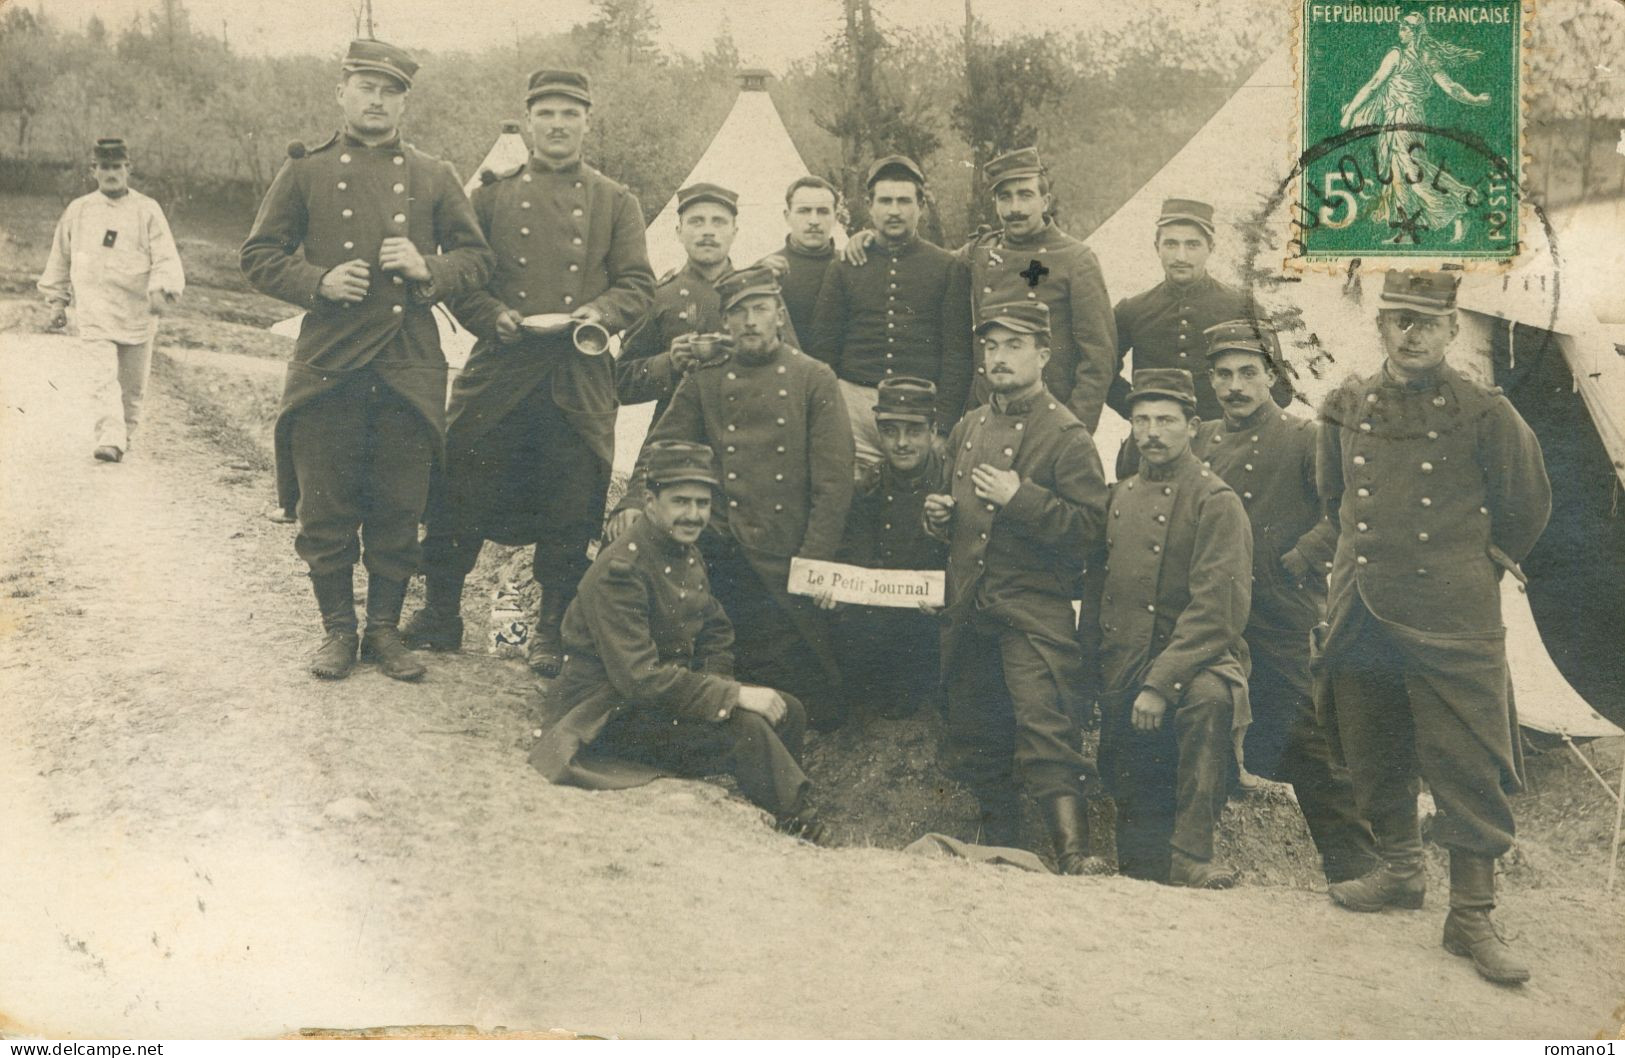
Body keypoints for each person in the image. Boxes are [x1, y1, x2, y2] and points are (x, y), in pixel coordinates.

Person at [1316, 269, 1551, 985]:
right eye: (1397, 320)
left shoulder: (1484, 413)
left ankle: (1471, 915)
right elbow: (1333, 497)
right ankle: (1398, 869)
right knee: (1368, 735)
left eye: (1425, 321)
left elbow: (1527, 507)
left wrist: (1472, 563)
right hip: (1363, 602)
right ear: (1380, 326)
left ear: (1452, 330)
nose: (1409, 333)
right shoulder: (1347, 404)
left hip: (1451, 612)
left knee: (1465, 759)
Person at [240, 39, 494, 682]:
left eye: (391, 90)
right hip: (329, 360)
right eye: (365, 86)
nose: (377, 100)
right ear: (342, 91)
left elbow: (478, 260)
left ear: (405, 100)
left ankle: (383, 631)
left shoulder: (434, 174)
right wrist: (318, 281)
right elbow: (259, 254)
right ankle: (337, 632)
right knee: (324, 505)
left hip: (408, 363)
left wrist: (426, 267)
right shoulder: (304, 170)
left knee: (399, 504)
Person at [401, 68, 655, 677]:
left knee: (572, 503)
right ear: (530, 120)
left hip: (577, 372)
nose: (559, 124)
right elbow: (461, 279)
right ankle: (440, 614)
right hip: (502, 367)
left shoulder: (616, 200)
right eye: (547, 113)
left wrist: (601, 312)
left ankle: (552, 630)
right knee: (458, 480)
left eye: (571, 113)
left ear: (587, 122)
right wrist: (493, 318)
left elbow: (639, 284)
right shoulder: (490, 195)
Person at [530, 440, 824, 841]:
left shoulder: (683, 551)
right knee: (746, 732)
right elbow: (639, 678)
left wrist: (718, 687)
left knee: (788, 709)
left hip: (656, 702)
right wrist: (729, 697)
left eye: (702, 504)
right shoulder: (623, 569)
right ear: (651, 501)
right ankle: (802, 825)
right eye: (680, 501)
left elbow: (715, 629)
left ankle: (774, 812)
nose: (693, 515)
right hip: (606, 715)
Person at [605, 266, 854, 730]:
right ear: (726, 323)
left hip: (786, 552)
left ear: (779, 316)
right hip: (719, 551)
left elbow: (834, 483)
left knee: (810, 694)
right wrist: (633, 501)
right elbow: (662, 446)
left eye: (761, 309)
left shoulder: (814, 378)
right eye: (739, 313)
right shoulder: (707, 379)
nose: (751, 322)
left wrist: (814, 562)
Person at [923, 301, 1110, 875]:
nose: (999, 359)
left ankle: (1073, 854)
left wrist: (1021, 498)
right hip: (971, 605)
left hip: (1033, 608)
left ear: (1044, 355)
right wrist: (936, 517)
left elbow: (1090, 531)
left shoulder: (1066, 435)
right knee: (975, 725)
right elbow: (957, 519)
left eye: (1014, 346)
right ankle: (998, 842)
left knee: (1044, 720)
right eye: (992, 347)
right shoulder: (968, 425)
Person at [1191, 319, 1379, 885]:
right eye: (1223, 375)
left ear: (1272, 375)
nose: (1235, 387)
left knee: (1305, 730)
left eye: (1249, 372)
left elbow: (1348, 509)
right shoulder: (1200, 440)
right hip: (1215, 607)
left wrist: (1305, 554)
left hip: (1282, 606)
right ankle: (1187, 857)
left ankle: (1355, 861)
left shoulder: (1304, 438)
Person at [1084, 368, 1251, 889]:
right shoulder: (1120, 496)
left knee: (1208, 700)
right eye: (1141, 420)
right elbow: (1098, 590)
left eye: (1166, 420)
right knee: (1129, 786)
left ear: (1193, 426)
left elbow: (1217, 610)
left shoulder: (1215, 501)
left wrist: (1161, 683)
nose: (1151, 432)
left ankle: (1193, 855)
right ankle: (1140, 872)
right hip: (1125, 657)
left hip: (1196, 658)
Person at [849, 148, 1116, 432]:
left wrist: (1074, 429)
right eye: (1005, 197)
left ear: (1045, 200)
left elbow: (1099, 358)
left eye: (1025, 195)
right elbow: (929, 262)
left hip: (1046, 419)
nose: (1015, 208)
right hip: (986, 416)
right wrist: (875, 239)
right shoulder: (979, 251)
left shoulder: (1075, 259)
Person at [808, 155, 972, 468]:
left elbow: (957, 355)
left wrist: (945, 427)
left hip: (920, 411)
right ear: (870, 206)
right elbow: (823, 350)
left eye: (904, 201)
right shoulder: (844, 267)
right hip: (854, 410)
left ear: (920, 206)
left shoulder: (947, 267)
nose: (894, 211)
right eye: (884, 201)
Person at [38, 137, 185, 464]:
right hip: (95, 310)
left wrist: (161, 289)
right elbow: (60, 257)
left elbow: (165, 256)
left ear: (128, 169)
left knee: (133, 388)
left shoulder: (147, 210)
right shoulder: (79, 210)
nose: (111, 174)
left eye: (117, 167)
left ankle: (123, 435)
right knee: (102, 377)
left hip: (137, 312)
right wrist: (56, 301)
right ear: (94, 170)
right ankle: (110, 436)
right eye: (104, 167)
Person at [1108, 198, 1291, 438]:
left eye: (1192, 245)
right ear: (1157, 247)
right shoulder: (1132, 310)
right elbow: (1101, 370)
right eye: (1171, 244)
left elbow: (1280, 389)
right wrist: (1136, 410)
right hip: (1152, 441)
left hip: (1223, 444)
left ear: (1210, 247)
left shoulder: (1243, 308)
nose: (1181, 256)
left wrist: (1236, 427)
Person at [831, 376, 947, 721]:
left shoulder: (952, 482)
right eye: (890, 431)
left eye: (913, 431)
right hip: (882, 619)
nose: (901, 443)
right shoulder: (869, 485)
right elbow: (853, 557)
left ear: (933, 431)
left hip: (936, 623)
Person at [1338, 12, 1490, 240]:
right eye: (1401, 26)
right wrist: (1474, 99)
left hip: (1404, 119)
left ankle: (1459, 206)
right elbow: (1452, 88)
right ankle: (1407, 231)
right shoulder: (1424, 57)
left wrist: (1350, 111)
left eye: (1405, 27)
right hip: (1406, 119)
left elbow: (1374, 85)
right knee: (1398, 177)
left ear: (1415, 32)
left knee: (1412, 174)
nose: (1401, 30)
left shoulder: (1398, 55)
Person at [615, 182, 744, 416]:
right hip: (678, 438)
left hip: (746, 434)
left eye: (719, 221)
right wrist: (669, 363)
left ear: (734, 232)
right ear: (679, 232)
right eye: (696, 221)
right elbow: (619, 383)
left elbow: (790, 372)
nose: (708, 231)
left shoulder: (757, 295)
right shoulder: (659, 296)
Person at [758, 175, 840, 342]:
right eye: (804, 211)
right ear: (787, 216)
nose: (814, 221)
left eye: (823, 212)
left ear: (836, 218)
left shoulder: (852, 264)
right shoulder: (766, 270)